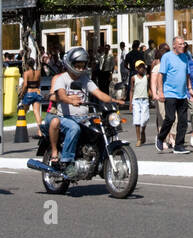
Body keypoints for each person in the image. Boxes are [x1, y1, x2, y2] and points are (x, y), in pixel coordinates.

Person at [44, 47, 122, 178]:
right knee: (74, 129)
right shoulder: (62, 79)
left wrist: (114, 100)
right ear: (70, 64)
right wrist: (70, 100)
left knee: (101, 129)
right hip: (66, 117)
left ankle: (100, 161)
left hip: (84, 117)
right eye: (77, 66)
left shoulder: (85, 79)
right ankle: (67, 163)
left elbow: (98, 93)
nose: (80, 69)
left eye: (82, 66)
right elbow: (61, 95)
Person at [155, 37, 193, 154]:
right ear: (174, 46)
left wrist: (190, 89)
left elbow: (186, 75)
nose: (183, 46)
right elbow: (160, 76)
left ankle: (179, 145)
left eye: (184, 44)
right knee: (170, 118)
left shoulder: (185, 57)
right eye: (180, 44)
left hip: (182, 95)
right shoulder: (167, 57)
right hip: (170, 93)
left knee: (183, 121)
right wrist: (161, 92)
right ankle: (161, 138)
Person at [19, 56, 44, 135]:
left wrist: (22, 94)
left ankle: (22, 131)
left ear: (27, 65)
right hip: (37, 92)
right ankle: (40, 132)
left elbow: (25, 84)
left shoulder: (26, 73)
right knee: (37, 113)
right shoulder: (38, 72)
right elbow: (39, 83)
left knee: (23, 113)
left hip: (29, 93)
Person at [129, 59, 151, 146]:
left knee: (145, 119)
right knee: (137, 120)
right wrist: (130, 103)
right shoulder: (133, 78)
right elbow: (131, 90)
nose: (142, 68)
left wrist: (152, 94)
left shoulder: (147, 77)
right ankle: (138, 139)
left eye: (143, 67)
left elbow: (148, 88)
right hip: (136, 100)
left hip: (145, 100)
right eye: (140, 67)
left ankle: (143, 132)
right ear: (136, 69)